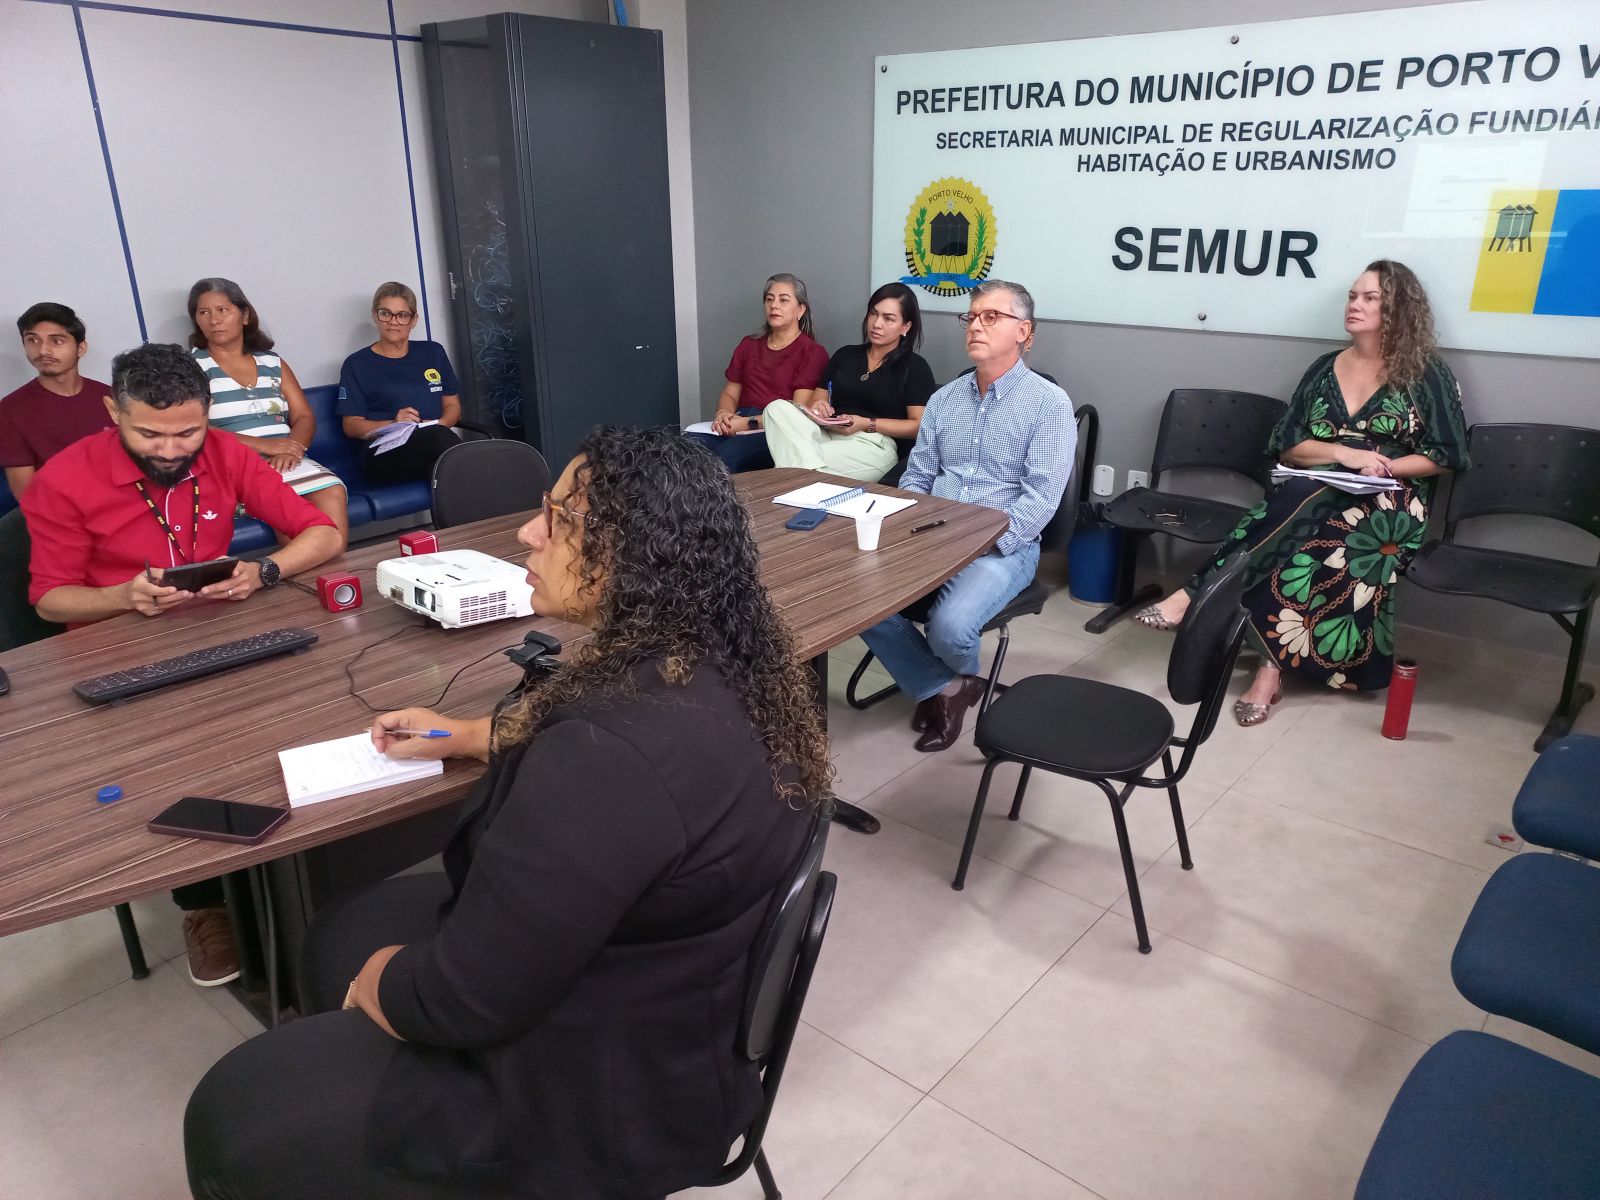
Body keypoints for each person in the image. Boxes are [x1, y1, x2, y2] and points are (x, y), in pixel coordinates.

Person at [184, 426, 830, 1200]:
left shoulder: (605, 758)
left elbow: (468, 998)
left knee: (231, 1117)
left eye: (556, 519)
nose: (528, 532)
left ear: (629, 557)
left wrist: (387, 986)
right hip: (680, 1003)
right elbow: (643, 792)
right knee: (339, 931)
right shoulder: (725, 662)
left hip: (603, 1097)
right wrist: (463, 737)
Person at [21, 342, 343, 986]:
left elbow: (324, 533)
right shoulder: (65, 476)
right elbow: (48, 599)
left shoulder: (224, 452)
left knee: (307, 712)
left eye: (187, 432)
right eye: (149, 433)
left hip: (218, 630)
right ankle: (202, 905)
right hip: (114, 655)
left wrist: (267, 569)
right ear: (113, 411)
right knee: (173, 768)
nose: (171, 449)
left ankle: (305, 868)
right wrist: (121, 596)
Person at [1134, 260, 1469, 725]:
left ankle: (1195, 596)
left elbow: (1448, 453)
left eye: (1370, 297)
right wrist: (1345, 456)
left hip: (1391, 500)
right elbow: (1287, 444)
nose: (1355, 305)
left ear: (1399, 308)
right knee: (1308, 520)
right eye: (1353, 296)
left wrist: (1383, 466)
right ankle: (1268, 673)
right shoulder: (1323, 368)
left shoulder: (1426, 373)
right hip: (1320, 485)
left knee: (1300, 512)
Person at [859, 280, 1076, 752]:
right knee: (856, 599)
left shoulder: (1048, 405)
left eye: (991, 316)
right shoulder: (944, 400)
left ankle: (937, 685)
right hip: (930, 533)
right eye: (972, 316)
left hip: (1001, 546)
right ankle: (950, 688)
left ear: (1026, 332)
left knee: (951, 625)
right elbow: (916, 476)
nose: (976, 324)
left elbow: (1040, 499)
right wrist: (910, 527)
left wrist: (976, 542)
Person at [188, 277, 349, 545]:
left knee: (332, 491)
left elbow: (304, 417)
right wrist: (268, 447)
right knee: (285, 502)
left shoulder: (272, 361)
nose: (213, 320)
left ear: (245, 315)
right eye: (203, 312)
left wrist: (292, 447)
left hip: (286, 459)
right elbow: (195, 428)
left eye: (222, 310)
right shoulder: (192, 366)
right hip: (235, 465)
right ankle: (306, 584)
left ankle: (336, 582)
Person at [763, 282, 936, 481]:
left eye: (888, 319)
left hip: (873, 445)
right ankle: (802, 473)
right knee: (776, 408)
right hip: (825, 433)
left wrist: (866, 424)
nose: (877, 323)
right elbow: (817, 401)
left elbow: (918, 426)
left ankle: (795, 473)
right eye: (873, 314)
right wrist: (820, 406)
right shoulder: (845, 355)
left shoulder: (914, 366)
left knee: (792, 459)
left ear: (906, 326)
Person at [685, 273, 829, 473]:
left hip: (773, 428)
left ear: (801, 309)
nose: (774, 305)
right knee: (684, 447)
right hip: (737, 420)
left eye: (783, 300)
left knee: (727, 457)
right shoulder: (748, 344)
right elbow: (730, 392)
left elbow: (797, 412)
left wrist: (746, 424)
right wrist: (723, 414)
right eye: (769, 299)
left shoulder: (811, 352)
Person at [336, 282, 463, 485]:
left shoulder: (433, 352)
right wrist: (395, 424)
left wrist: (439, 425)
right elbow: (351, 426)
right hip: (383, 453)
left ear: (414, 320)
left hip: (434, 447)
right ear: (375, 315)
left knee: (444, 474)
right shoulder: (357, 364)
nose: (394, 321)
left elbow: (452, 406)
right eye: (386, 313)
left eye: (403, 315)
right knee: (455, 457)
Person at [0, 302, 114, 500]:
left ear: (81, 348)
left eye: (57, 341)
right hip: (63, 516)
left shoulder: (109, 396)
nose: (43, 350)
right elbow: (28, 496)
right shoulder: (10, 410)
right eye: (33, 340)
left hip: (124, 505)